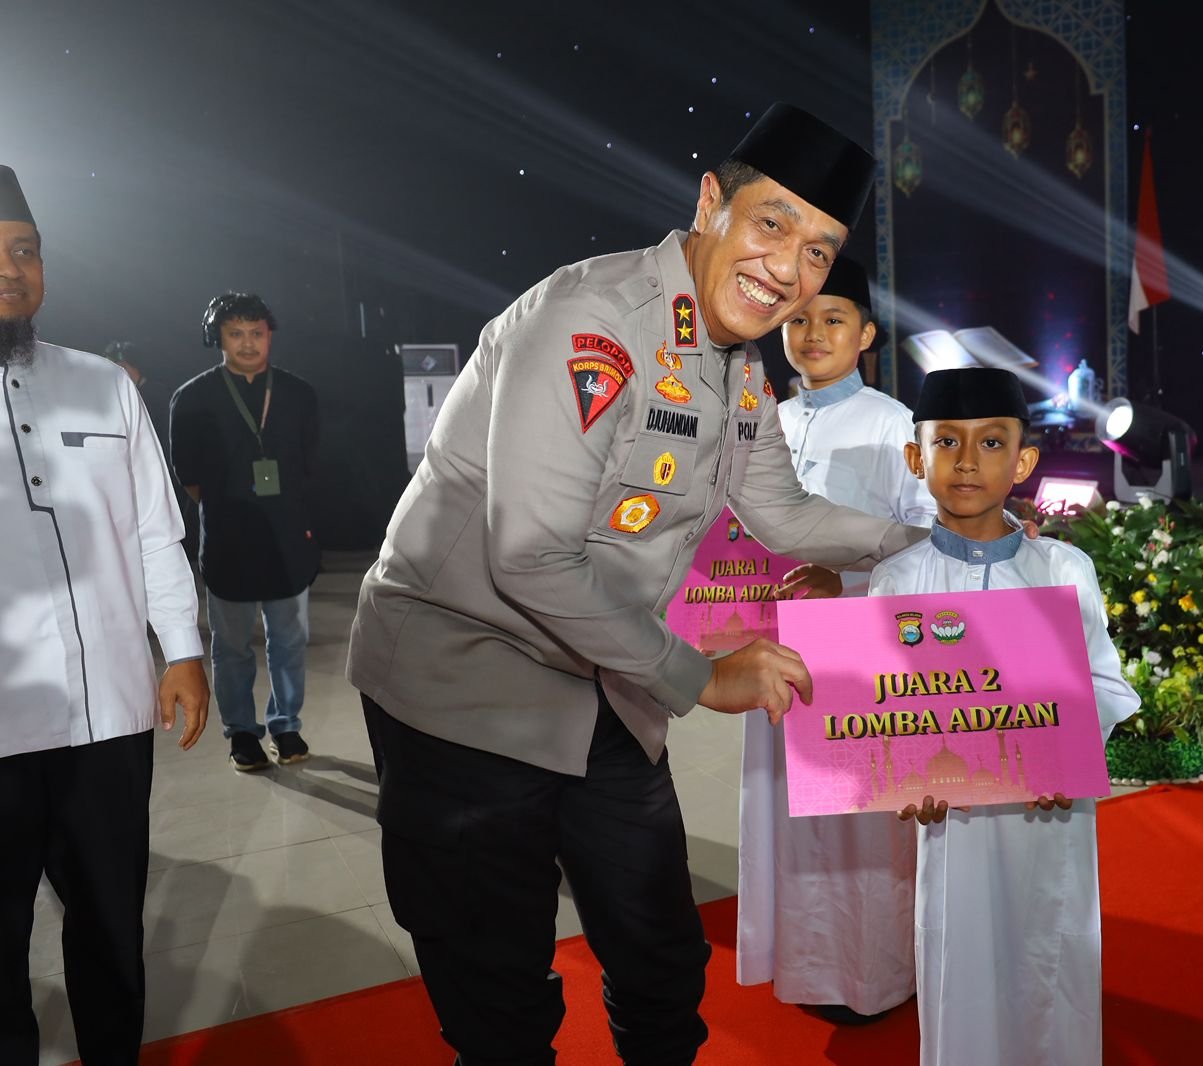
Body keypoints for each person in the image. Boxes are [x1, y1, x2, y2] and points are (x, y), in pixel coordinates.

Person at [347, 103, 929, 1065]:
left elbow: (784, 515)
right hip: (465, 690)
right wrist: (704, 678)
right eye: (772, 223)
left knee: (662, 958)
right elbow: (530, 556)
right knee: (499, 996)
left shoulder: (740, 367)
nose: (789, 268)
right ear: (710, 204)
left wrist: (942, 538)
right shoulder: (593, 321)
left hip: (606, 680)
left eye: (819, 252)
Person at [868, 367, 1141, 1066]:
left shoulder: (1063, 570)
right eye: (947, 442)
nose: (967, 461)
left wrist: (1064, 752)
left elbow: (1105, 683)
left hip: (1051, 816)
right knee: (958, 961)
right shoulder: (896, 581)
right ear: (915, 458)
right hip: (951, 822)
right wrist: (904, 775)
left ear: (1023, 462)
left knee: (1049, 957)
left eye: (991, 443)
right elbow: (886, 709)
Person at [0, 164, 210, 1065]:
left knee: (112, 929)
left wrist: (183, 650)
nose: (11, 270)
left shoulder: (104, 385)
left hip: (108, 721)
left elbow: (157, 531)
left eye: (25, 251)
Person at [736, 256, 935, 1023]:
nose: (813, 333)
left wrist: (843, 578)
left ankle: (874, 974)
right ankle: (810, 965)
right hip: (772, 652)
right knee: (789, 816)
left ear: (867, 334)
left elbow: (928, 543)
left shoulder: (894, 426)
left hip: (859, 659)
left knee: (862, 828)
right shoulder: (765, 424)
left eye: (833, 318)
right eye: (798, 319)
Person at [169, 292, 320, 771]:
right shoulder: (193, 398)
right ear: (218, 338)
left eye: (257, 332)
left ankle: (286, 724)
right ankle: (241, 732)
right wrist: (231, 506)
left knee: (289, 642)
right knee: (232, 647)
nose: (248, 343)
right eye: (236, 333)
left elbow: (310, 463)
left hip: (287, 540)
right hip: (229, 540)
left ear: (269, 334)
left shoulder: (298, 393)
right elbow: (188, 475)